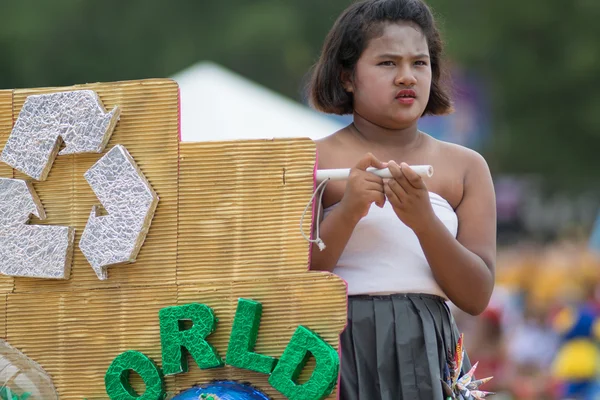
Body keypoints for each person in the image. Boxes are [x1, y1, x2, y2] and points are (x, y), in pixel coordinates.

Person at [307, 0, 497, 399]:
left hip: (429, 351)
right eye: (387, 63)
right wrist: (348, 210)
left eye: (420, 63)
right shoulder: (310, 160)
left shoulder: (466, 166)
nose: (406, 77)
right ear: (346, 77)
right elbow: (291, 275)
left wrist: (423, 221)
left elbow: (476, 295)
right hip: (334, 347)